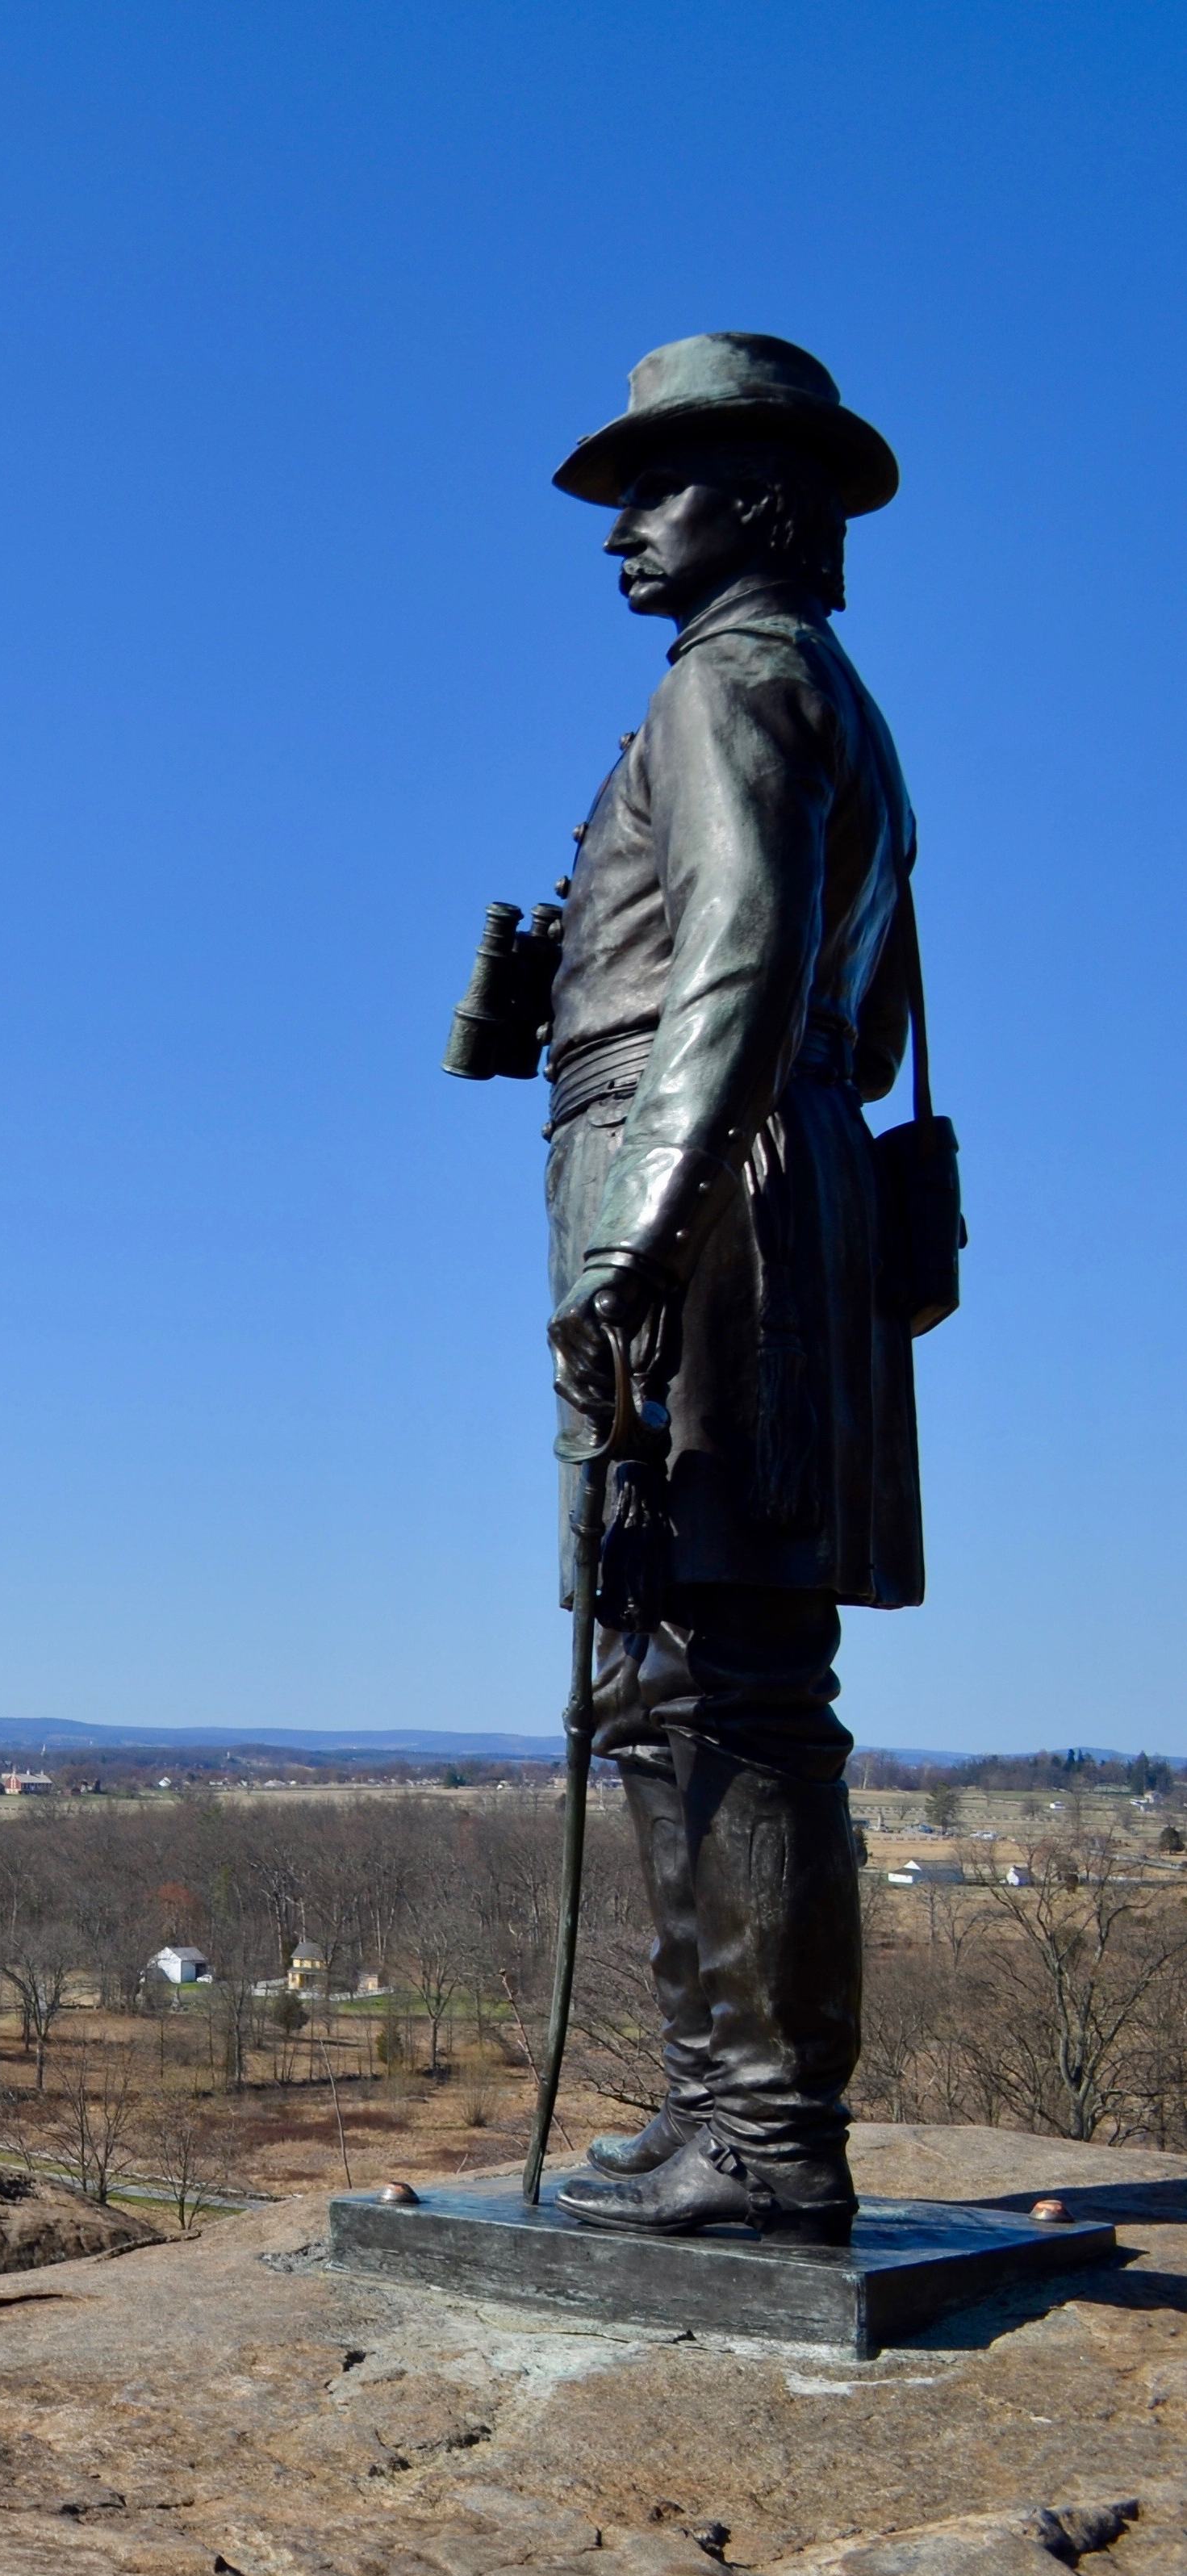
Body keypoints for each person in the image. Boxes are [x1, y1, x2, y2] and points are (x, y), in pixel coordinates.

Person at [531, 334, 921, 2242]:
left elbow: (750, 965)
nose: (616, 524)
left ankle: (761, 2140)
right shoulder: (818, 693)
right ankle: (710, 2106)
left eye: (653, 482)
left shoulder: (728, 684)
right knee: (674, 1672)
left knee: (730, 1673)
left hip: (711, 1208)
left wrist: (629, 1239)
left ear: (757, 504)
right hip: (768, 1190)